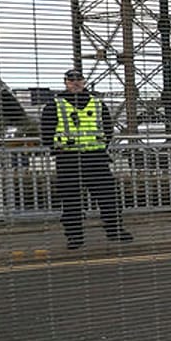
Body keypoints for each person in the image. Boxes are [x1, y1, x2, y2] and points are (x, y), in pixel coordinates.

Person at [39, 67, 132, 249]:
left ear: (84, 82)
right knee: (71, 201)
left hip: (95, 158)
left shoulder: (97, 103)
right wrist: (58, 149)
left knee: (108, 198)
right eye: (71, 80)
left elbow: (107, 129)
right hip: (68, 159)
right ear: (65, 82)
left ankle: (115, 231)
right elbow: (46, 131)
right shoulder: (55, 105)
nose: (75, 82)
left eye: (79, 79)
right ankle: (75, 237)